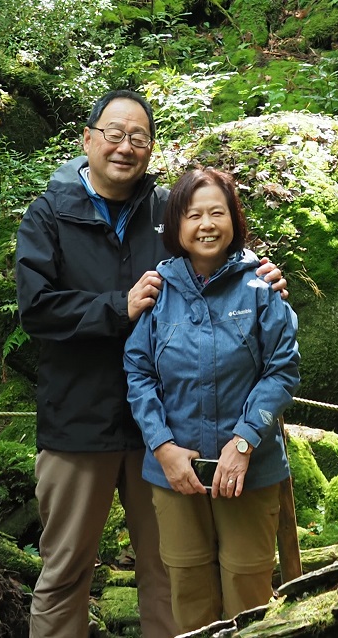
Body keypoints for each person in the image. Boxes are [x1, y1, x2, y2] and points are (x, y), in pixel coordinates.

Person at [15, 90, 286, 638]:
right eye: (113, 134)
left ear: (151, 148)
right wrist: (119, 306)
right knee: (66, 570)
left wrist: (262, 275)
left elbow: (214, 255)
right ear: (87, 140)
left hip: (162, 431)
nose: (124, 147)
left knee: (168, 569)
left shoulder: (164, 214)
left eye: (138, 137)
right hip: (78, 420)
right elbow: (36, 309)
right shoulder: (48, 214)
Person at [125, 166, 300, 633]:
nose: (206, 224)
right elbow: (138, 372)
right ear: (177, 226)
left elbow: (282, 369)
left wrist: (242, 444)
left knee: (249, 592)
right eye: (193, 214)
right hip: (174, 473)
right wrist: (163, 448)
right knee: (189, 589)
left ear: (233, 219)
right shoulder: (159, 291)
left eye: (216, 212)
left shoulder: (261, 287)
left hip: (251, 470)